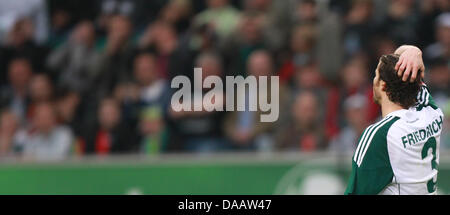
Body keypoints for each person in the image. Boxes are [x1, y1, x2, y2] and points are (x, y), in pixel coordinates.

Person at [345, 45, 444, 195]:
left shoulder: (380, 134)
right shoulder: (431, 113)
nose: (373, 81)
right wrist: (415, 51)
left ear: (383, 86)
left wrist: (414, 52)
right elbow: (412, 76)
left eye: (376, 76)